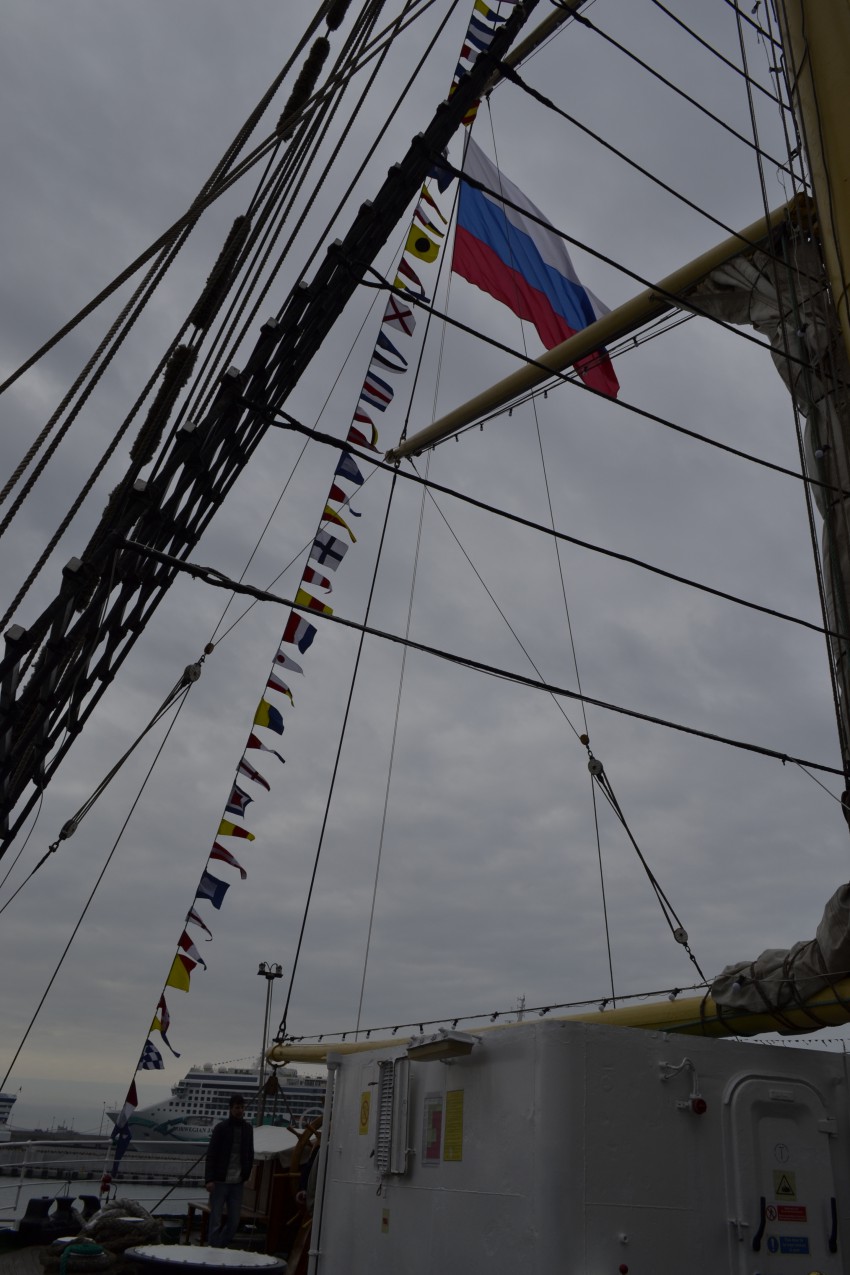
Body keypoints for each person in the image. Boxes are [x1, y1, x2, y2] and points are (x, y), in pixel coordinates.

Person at [205, 1094, 255, 1248]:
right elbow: (211, 1153)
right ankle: (214, 1249)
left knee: (234, 1221)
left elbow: (250, 1152)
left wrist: (246, 1173)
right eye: (237, 1108)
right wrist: (209, 1179)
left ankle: (219, 1246)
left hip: (237, 1182)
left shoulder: (248, 1129)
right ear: (231, 1109)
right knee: (215, 1219)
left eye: (242, 1107)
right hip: (220, 1181)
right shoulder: (221, 1128)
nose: (240, 1111)